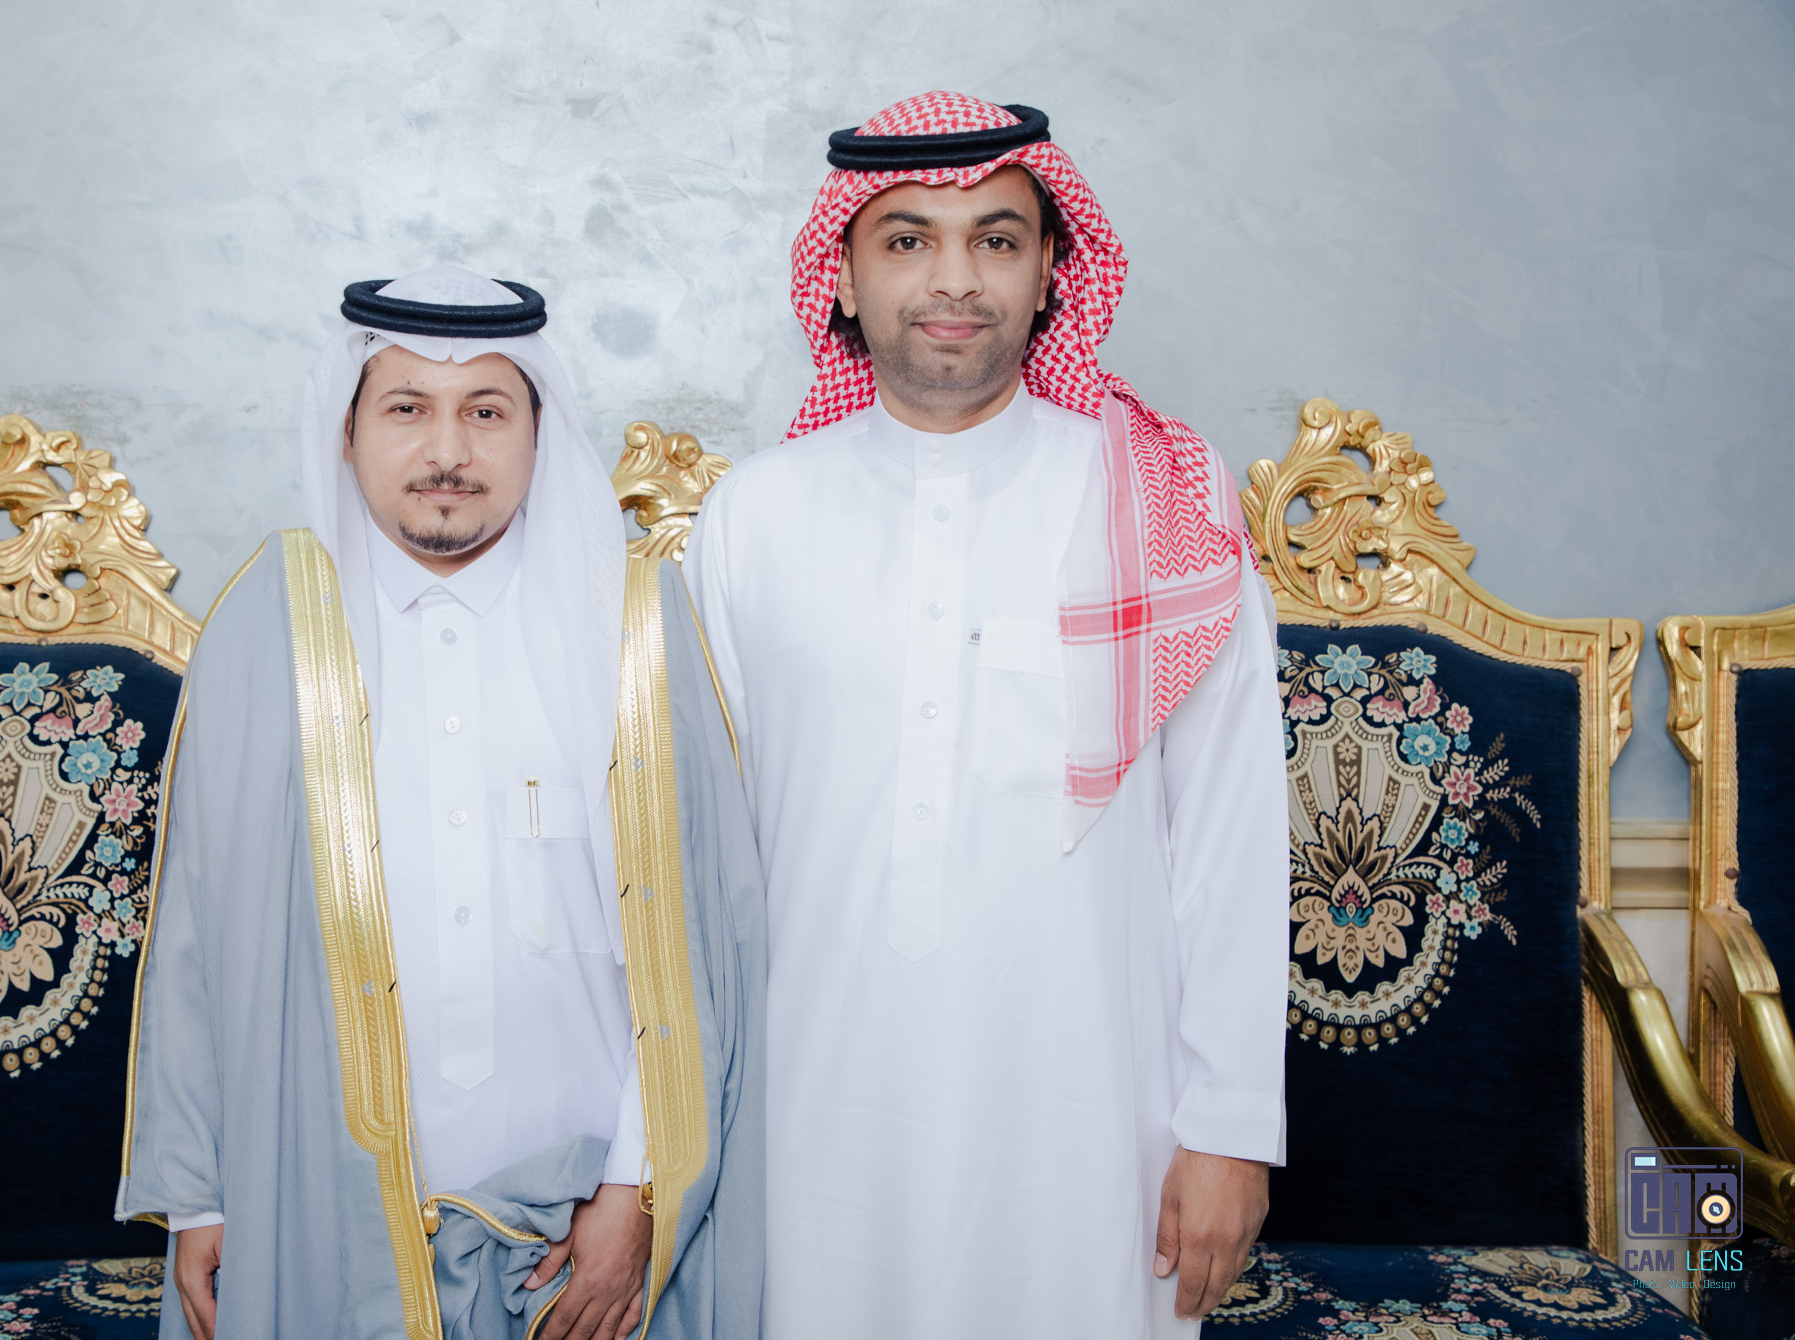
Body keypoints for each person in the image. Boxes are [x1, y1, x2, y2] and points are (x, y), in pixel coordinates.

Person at [684, 93, 1286, 1337]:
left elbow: (1229, 839)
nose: (952, 279)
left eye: (995, 239)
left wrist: (1231, 1129)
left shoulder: (1157, 504)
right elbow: (698, 861)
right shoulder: (754, 516)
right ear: (840, 275)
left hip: (1091, 1120)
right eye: (906, 239)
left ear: (1052, 269)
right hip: (812, 1117)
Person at [118, 266, 764, 1340]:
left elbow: (701, 943)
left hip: (584, 1226)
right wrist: (202, 1196)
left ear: (539, 433)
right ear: (346, 431)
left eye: (487, 411)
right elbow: (198, 928)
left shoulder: (636, 627)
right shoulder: (271, 621)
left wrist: (639, 1192)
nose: (448, 451)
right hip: (321, 1207)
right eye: (407, 408)